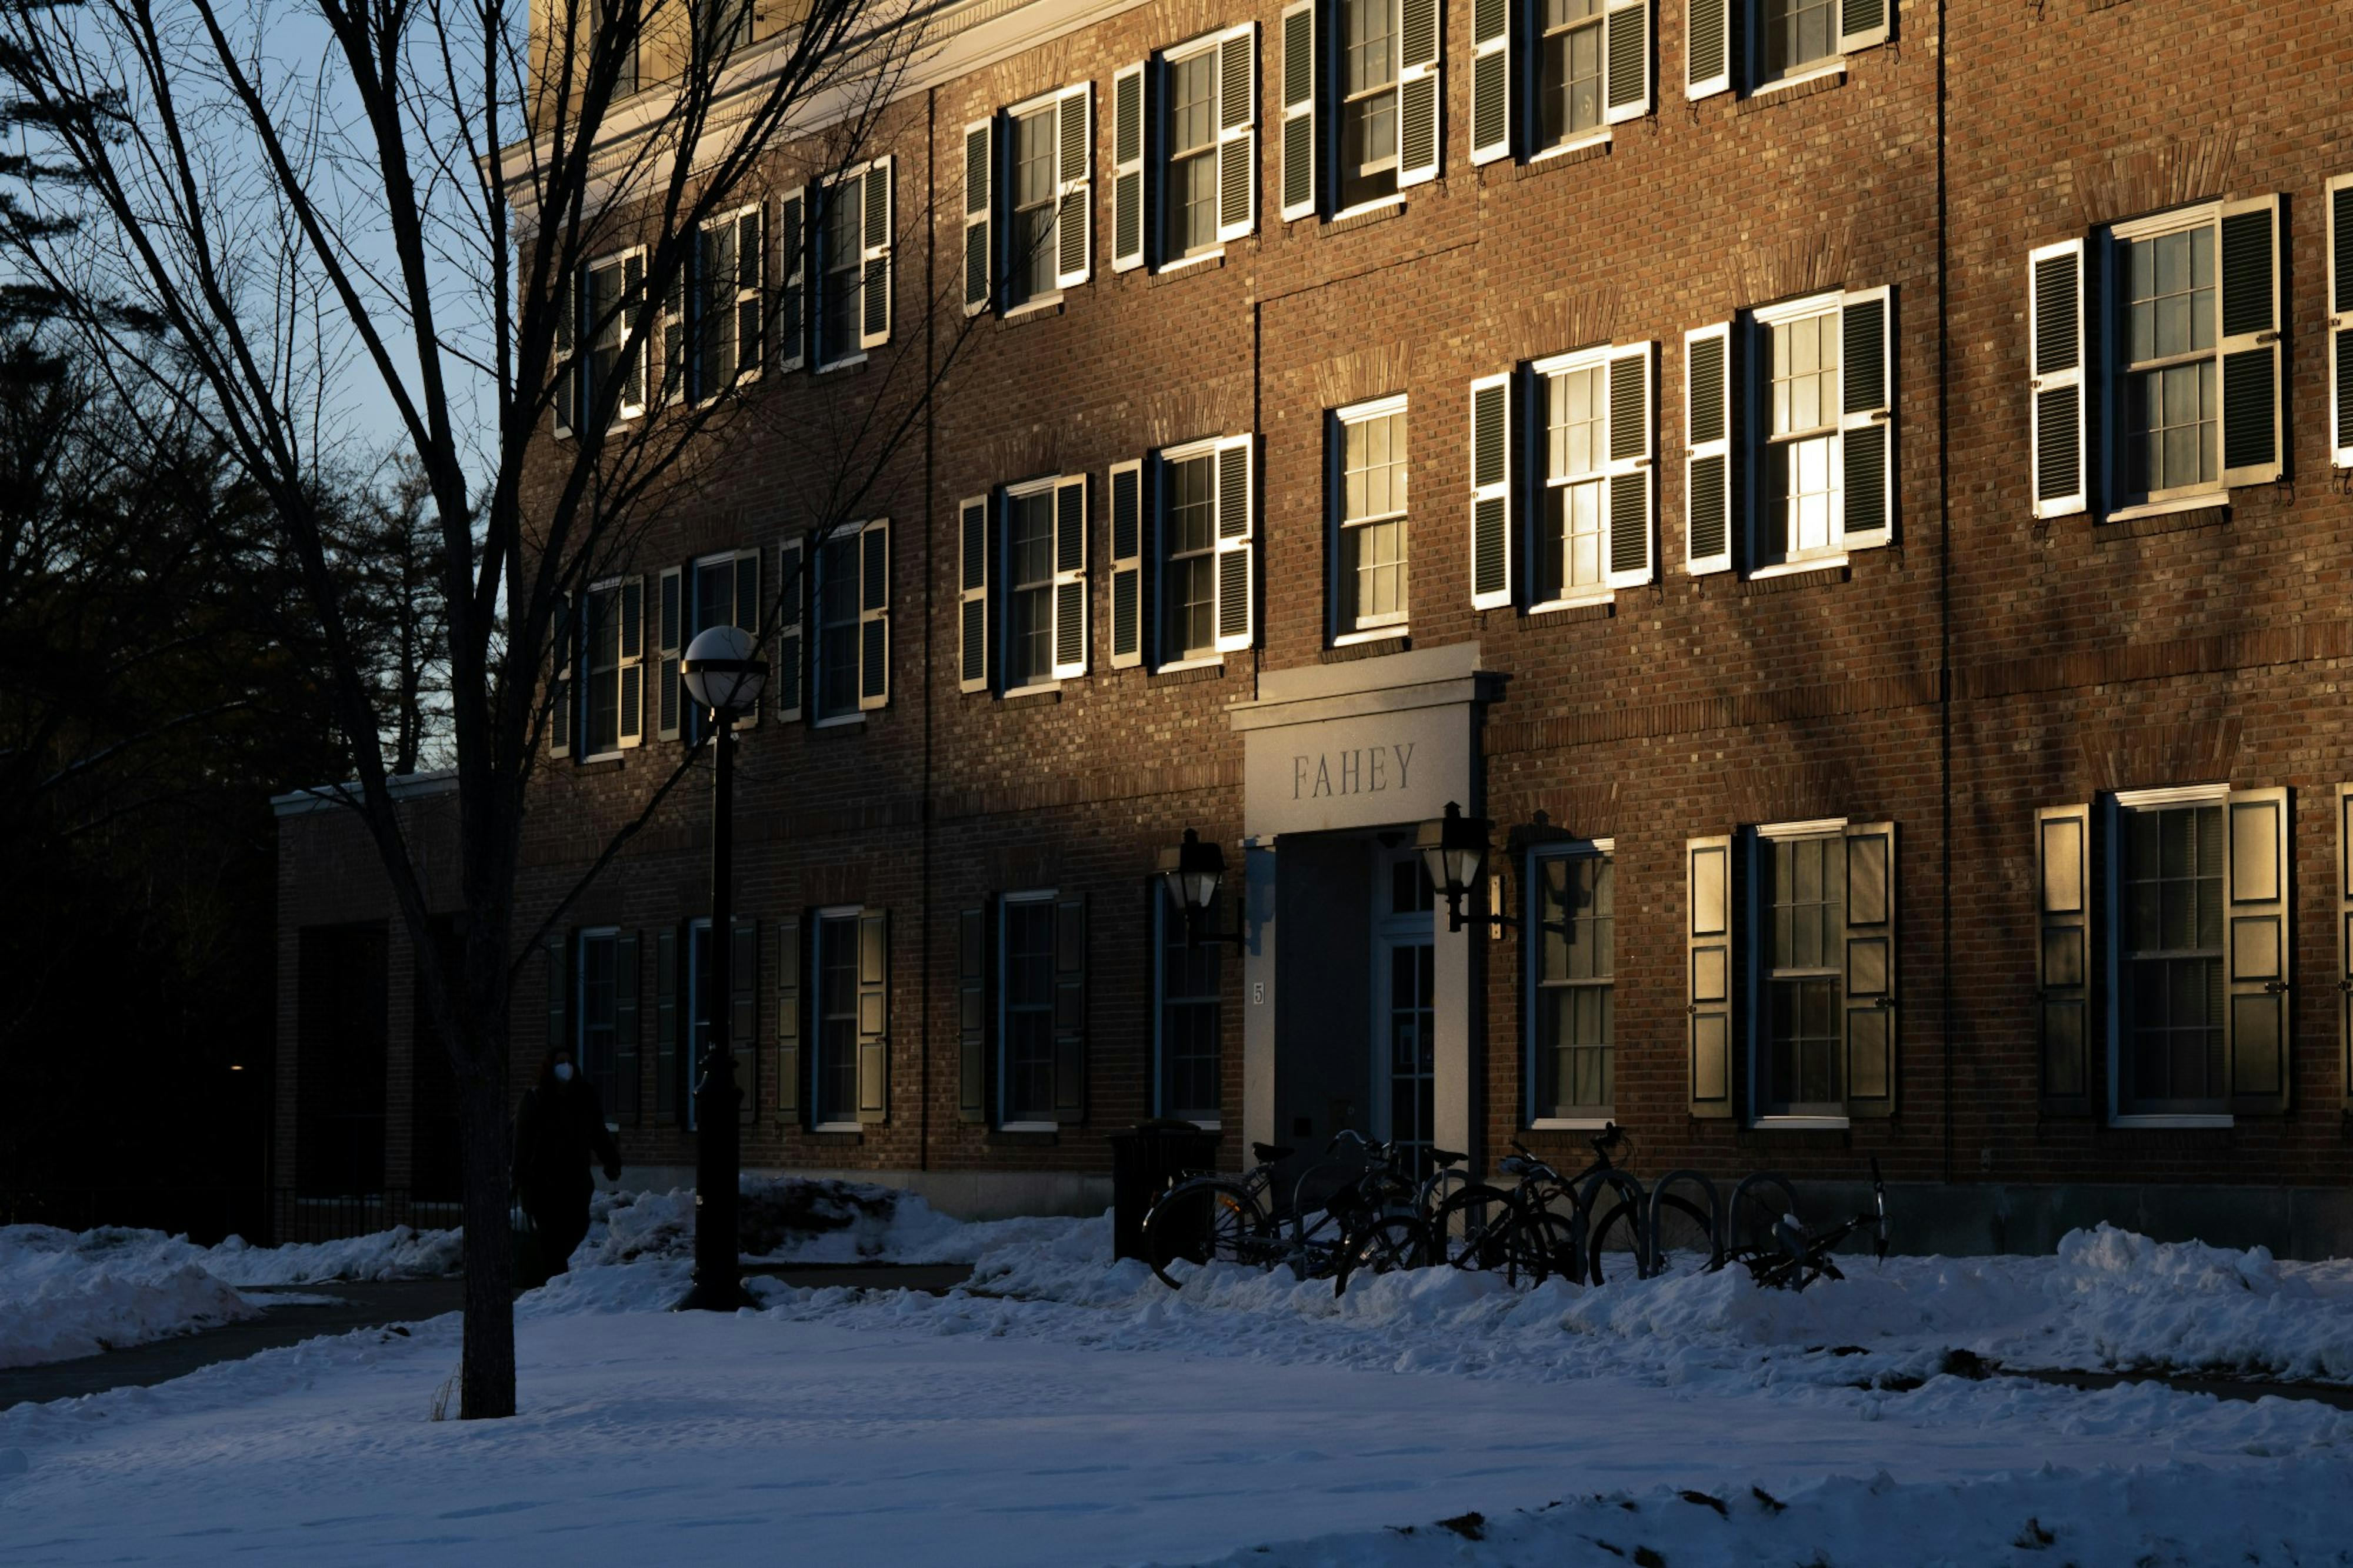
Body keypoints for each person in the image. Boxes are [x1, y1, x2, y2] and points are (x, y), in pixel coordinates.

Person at [512, 1045, 622, 1278]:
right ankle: (555, 1279)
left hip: (576, 1179)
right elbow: (522, 1142)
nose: (566, 1067)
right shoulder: (536, 1099)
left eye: (569, 1062)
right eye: (560, 1062)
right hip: (543, 1180)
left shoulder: (583, 1097)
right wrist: (518, 1179)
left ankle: (554, 1274)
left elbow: (598, 1133)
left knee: (577, 1226)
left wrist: (611, 1160)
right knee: (550, 1234)